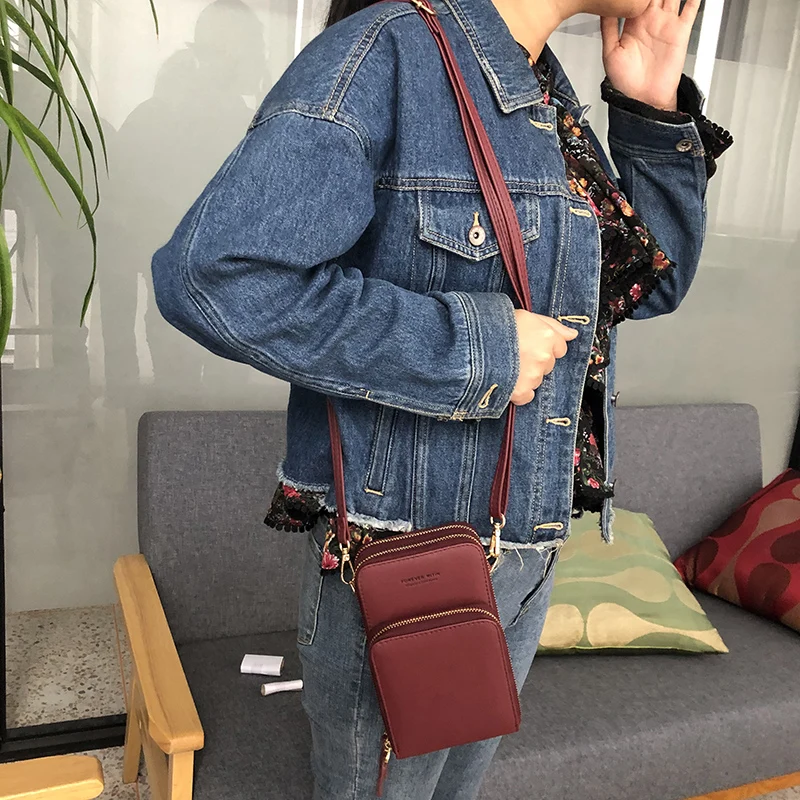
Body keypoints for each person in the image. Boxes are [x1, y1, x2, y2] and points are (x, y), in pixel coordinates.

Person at [151, 0, 732, 797]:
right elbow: (213, 275)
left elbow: (640, 285)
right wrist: (478, 350)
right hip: (413, 560)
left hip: (523, 548)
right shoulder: (385, 56)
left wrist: (650, 107)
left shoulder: (535, 87)